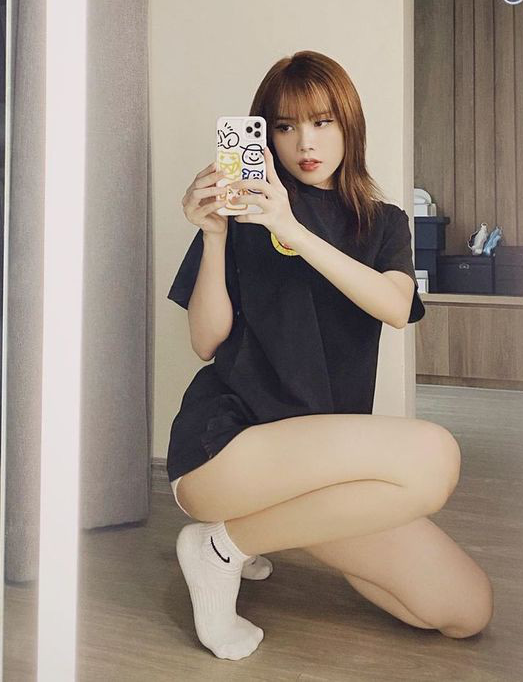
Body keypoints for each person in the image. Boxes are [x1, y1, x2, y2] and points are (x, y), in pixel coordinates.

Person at [166, 51, 493, 661]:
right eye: (285, 126)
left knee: (466, 610)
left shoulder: (384, 223)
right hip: (229, 450)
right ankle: (219, 548)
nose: (304, 143)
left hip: (318, 468)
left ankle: (235, 539)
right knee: (433, 455)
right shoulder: (242, 216)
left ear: (350, 126)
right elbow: (206, 342)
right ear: (265, 136)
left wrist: (294, 231)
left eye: (322, 122)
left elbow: (395, 307)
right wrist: (213, 235)